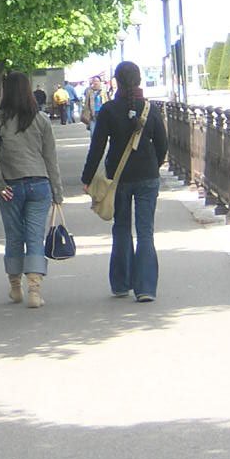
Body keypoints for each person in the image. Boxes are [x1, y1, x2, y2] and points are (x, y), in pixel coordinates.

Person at [80, 61, 167, 303]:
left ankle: (121, 283)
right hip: (147, 176)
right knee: (145, 232)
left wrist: (87, 179)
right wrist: (153, 166)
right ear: (139, 80)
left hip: (118, 178)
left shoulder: (108, 110)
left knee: (121, 228)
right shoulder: (150, 108)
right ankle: (146, 287)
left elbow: (97, 147)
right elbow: (163, 144)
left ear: (116, 81)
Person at [0, 71, 64, 308]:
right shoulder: (40, 120)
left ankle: (15, 287)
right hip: (39, 184)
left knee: (14, 235)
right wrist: (57, 191)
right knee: (34, 236)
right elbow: (51, 157)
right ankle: (35, 290)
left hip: (10, 185)